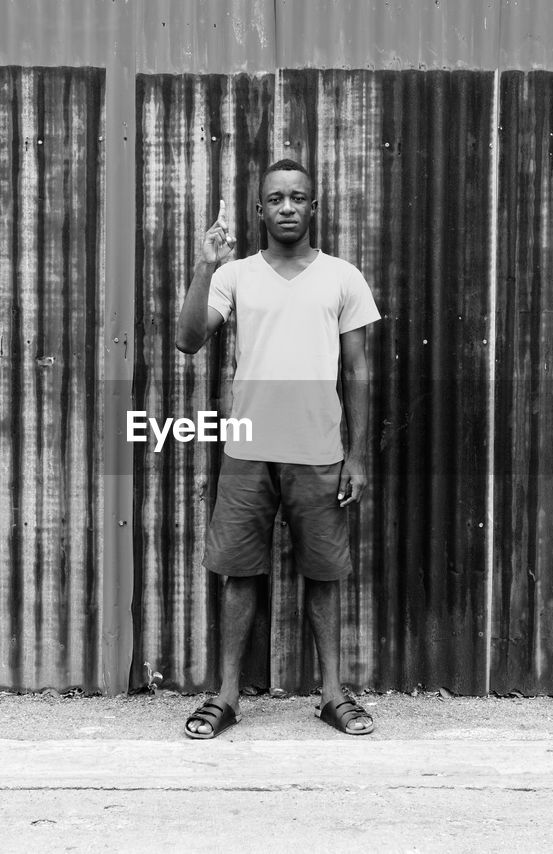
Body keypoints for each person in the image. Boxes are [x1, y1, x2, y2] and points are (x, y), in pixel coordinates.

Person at [175, 159, 381, 738]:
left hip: (319, 450)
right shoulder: (234, 274)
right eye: (275, 198)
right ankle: (227, 695)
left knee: (324, 573)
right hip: (247, 449)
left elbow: (359, 370)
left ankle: (333, 694)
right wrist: (204, 265)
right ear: (260, 209)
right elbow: (188, 339)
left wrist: (357, 456)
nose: (287, 207)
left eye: (298, 198)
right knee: (239, 573)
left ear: (314, 208)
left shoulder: (343, 277)